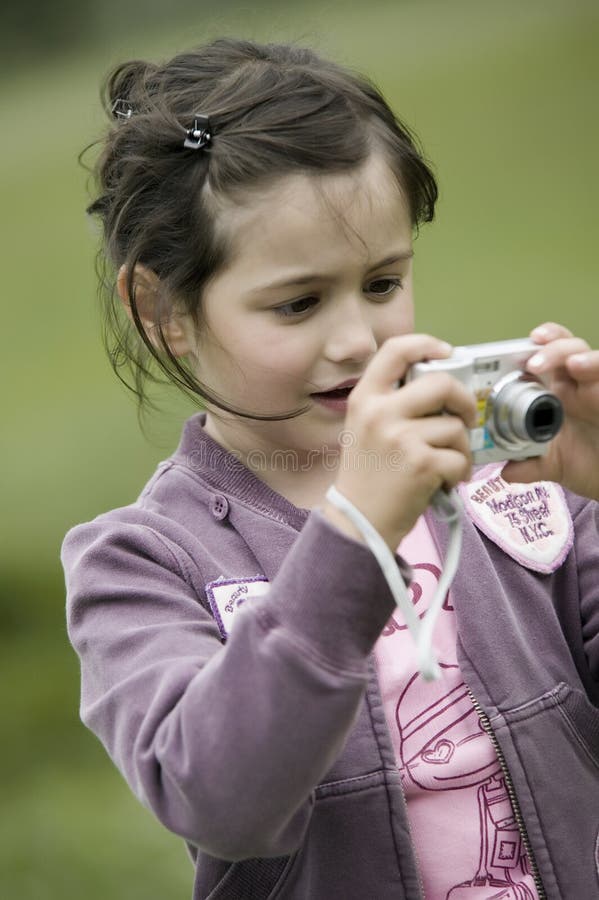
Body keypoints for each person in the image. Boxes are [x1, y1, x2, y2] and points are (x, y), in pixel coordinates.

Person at [61, 38, 599, 899]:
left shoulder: (511, 480)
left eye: (382, 283)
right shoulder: (142, 560)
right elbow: (219, 801)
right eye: (299, 302)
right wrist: (357, 532)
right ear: (161, 308)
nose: (357, 339)